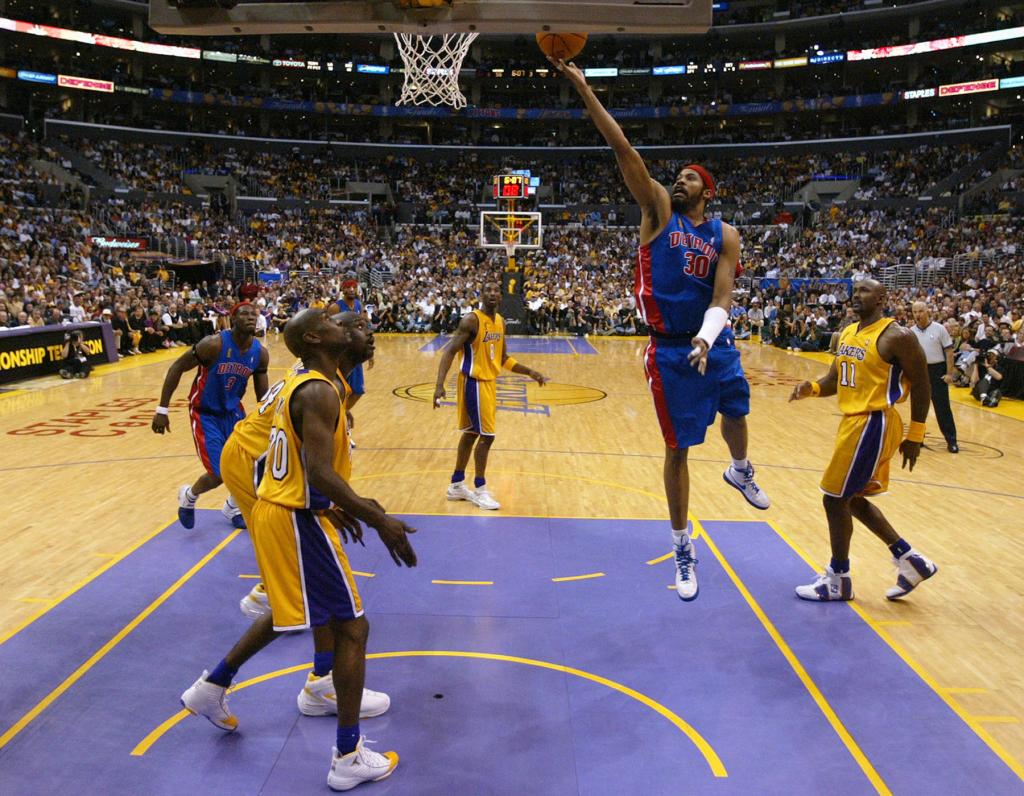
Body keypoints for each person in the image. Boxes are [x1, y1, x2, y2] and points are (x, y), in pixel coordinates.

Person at [552, 57, 769, 603]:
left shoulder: (726, 233)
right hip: (668, 350)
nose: (680, 178)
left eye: (691, 176)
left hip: (711, 341)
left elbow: (723, 296)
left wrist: (708, 336)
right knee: (679, 452)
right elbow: (624, 150)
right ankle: (682, 547)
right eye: (679, 175)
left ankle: (741, 469)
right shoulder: (658, 212)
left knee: (738, 410)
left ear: (708, 190)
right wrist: (584, 89)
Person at [180, 309, 417, 792]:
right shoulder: (316, 389)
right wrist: (380, 520)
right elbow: (318, 471)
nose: (353, 328)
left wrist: (335, 506)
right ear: (315, 338)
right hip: (292, 514)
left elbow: (309, 470)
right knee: (353, 628)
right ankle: (348, 755)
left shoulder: (319, 381)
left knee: (309, 610)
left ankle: (215, 685)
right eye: (338, 323)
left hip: (287, 506)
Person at [789, 280, 938, 602]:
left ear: (882, 298)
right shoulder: (847, 332)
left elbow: (924, 384)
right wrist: (811, 389)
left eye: (865, 291)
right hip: (853, 422)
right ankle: (911, 561)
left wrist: (916, 434)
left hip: (874, 422)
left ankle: (838, 579)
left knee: (833, 499)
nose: (856, 295)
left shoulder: (897, 336)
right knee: (850, 498)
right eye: (854, 290)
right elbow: (833, 380)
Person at [151, 302, 269, 530]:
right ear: (233, 320)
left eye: (254, 314)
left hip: (234, 413)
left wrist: (267, 421)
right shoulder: (213, 344)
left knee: (249, 466)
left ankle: (232, 505)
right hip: (205, 414)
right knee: (218, 473)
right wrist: (162, 410)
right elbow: (176, 367)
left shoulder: (260, 354)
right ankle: (189, 495)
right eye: (244, 314)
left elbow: (262, 394)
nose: (251, 317)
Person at [433, 280, 548, 511]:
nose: (492, 293)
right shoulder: (471, 320)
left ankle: (456, 485)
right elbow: (449, 351)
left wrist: (530, 372)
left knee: (471, 434)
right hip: (473, 382)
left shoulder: (500, 322)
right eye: (488, 290)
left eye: (496, 290)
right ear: (481, 295)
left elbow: (503, 358)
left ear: (502, 296)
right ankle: (480, 488)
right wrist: (439, 385)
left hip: (488, 383)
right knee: (487, 436)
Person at [910, 301, 959, 453]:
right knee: (918, 409)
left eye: (921, 311)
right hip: (919, 372)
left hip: (937, 371)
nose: (918, 315)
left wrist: (949, 373)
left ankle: (952, 441)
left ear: (927, 311)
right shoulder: (911, 332)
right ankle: (918, 439)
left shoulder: (939, 329)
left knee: (943, 409)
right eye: (915, 312)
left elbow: (949, 352)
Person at [335, 280, 373, 426]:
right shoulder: (336, 307)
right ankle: (338, 423)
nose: (351, 289)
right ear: (343, 289)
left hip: (355, 353)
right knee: (339, 389)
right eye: (348, 287)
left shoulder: (358, 304)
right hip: (341, 354)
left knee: (357, 391)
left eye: (354, 287)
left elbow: (364, 327)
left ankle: (341, 414)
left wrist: (369, 352)